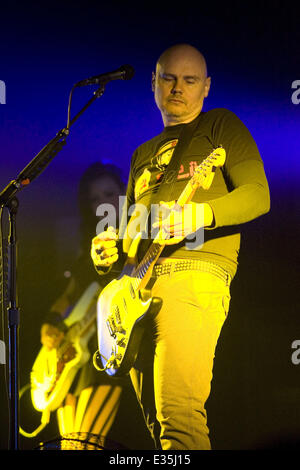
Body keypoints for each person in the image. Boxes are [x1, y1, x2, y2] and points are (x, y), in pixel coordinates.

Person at [90, 44, 270, 450]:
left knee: (180, 418)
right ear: (153, 83)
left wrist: (200, 216)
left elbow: (259, 195)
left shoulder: (220, 125)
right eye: (169, 78)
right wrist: (110, 251)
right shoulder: (141, 154)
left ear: (206, 87)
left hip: (194, 276)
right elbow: (133, 228)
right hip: (136, 289)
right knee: (156, 427)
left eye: (190, 80)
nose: (178, 88)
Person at [40, 162, 127, 446]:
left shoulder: (138, 234)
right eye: (95, 198)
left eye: (109, 193)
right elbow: (71, 292)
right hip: (75, 355)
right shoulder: (89, 245)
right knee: (70, 444)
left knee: (83, 441)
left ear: (125, 194)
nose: (103, 203)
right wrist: (51, 322)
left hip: (111, 349)